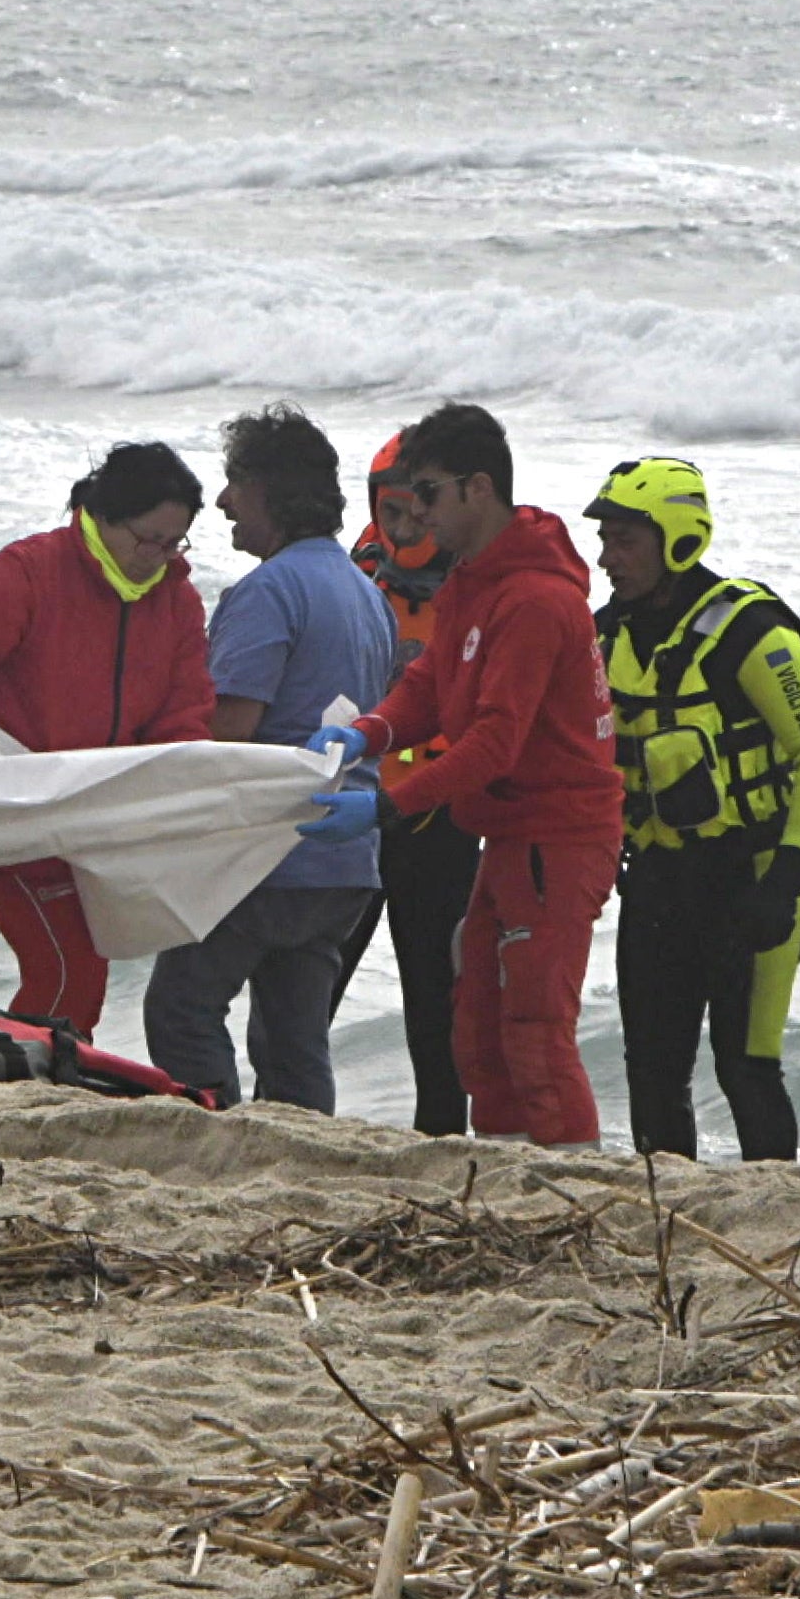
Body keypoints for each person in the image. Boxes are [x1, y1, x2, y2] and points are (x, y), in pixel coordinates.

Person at [300, 404, 619, 1146]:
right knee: (475, 1030)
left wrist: (383, 807)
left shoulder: (536, 599)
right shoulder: (474, 578)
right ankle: (509, 1174)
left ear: (478, 489)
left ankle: (572, 1182)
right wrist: (367, 731)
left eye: (430, 495)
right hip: (505, 834)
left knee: (537, 1031)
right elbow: (434, 681)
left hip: (556, 836)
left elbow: (494, 742)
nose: (415, 515)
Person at [0, 442, 215, 1034]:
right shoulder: (32, 572)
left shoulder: (176, 602)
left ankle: (31, 1068)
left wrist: (182, 788)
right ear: (105, 518)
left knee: (79, 967)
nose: (161, 558)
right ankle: (35, 1078)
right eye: (150, 540)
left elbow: (183, 716)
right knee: (70, 964)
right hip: (0, 808)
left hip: (88, 817)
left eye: (176, 544)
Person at [586, 457, 800, 1162]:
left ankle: (780, 1223)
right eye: (603, 540)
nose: (605, 558)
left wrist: (785, 880)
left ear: (677, 538)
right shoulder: (605, 635)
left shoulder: (748, 630)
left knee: (747, 1070)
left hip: (752, 881)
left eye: (622, 541)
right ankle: (669, 1225)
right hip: (660, 884)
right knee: (652, 1072)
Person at [141, 406, 396, 1112]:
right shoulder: (364, 593)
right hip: (344, 860)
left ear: (270, 490)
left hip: (266, 857)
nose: (221, 501)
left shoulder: (267, 591)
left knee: (181, 1008)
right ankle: (301, 1156)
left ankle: (211, 1135)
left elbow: (230, 735)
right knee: (294, 1039)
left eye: (233, 483)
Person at [325, 432, 483, 1135]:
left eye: (421, 511)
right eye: (392, 512)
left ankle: (442, 1144)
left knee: (439, 1005)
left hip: (442, 821)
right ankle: (288, 1124)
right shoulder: (350, 575)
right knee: (311, 991)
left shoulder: (485, 583)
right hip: (356, 814)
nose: (406, 530)